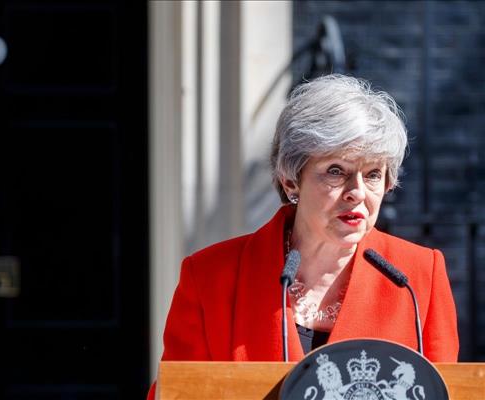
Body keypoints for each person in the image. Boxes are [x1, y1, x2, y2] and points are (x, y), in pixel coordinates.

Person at [148, 74, 458, 399]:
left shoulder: (418, 277)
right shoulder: (210, 276)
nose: (357, 192)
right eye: (336, 171)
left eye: (373, 175)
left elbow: (450, 390)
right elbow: (177, 392)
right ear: (290, 180)